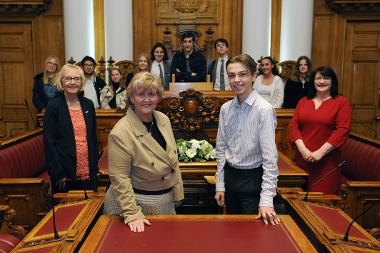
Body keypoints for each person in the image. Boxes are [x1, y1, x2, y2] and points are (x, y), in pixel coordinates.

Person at [103, 71, 184, 232]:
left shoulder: (163, 119)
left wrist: (178, 192)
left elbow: (173, 161)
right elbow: (120, 178)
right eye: (141, 94)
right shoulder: (121, 132)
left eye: (152, 94)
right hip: (134, 204)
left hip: (163, 201)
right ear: (132, 98)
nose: (147, 99)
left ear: (159, 97)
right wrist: (132, 213)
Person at [214, 54, 280, 225]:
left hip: (253, 181)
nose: (236, 80)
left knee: (252, 238)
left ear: (253, 76)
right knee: (232, 233)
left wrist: (266, 199)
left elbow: (270, 158)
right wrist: (220, 184)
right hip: (230, 179)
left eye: (242, 74)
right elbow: (221, 149)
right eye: (231, 75)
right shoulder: (225, 109)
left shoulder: (263, 109)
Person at [289, 66, 352, 194]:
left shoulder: (341, 102)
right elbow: (293, 126)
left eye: (326, 78)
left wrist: (320, 153)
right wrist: (304, 151)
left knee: (320, 203)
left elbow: (342, 130)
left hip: (327, 163)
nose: (321, 81)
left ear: (332, 81)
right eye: (318, 78)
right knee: (296, 203)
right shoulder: (303, 101)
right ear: (313, 81)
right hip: (302, 160)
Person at [43, 64, 99, 193]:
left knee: (89, 210)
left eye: (76, 78)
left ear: (81, 81)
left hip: (88, 172)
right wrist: (58, 173)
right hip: (64, 175)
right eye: (68, 78)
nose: (72, 82)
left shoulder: (88, 104)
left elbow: (92, 139)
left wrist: (94, 168)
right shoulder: (53, 106)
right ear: (61, 81)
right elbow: (49, 144)